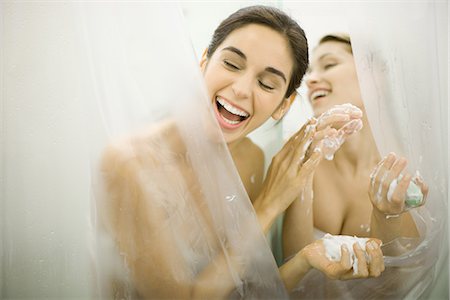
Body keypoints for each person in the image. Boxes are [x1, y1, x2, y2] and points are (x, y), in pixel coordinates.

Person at [98, 9, 384, 298]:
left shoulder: (251, 160)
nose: (241, 89)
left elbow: (244, 291)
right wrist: (269, 204)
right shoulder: (130, 164)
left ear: (283, 107)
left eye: (267, 83)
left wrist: (306, 259)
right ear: (203, 63)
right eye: (232, 64)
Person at [282, 33, 429, 298]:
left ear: (374, 76)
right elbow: (297, 281)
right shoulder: (306, 161)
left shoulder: (407, 175)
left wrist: (387, 216)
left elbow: (398, 286)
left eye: (329, 65)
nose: (311, 80)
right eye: (310, 72)